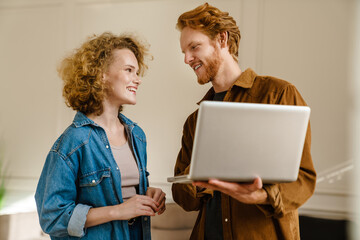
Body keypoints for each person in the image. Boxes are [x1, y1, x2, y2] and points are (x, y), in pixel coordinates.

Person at [171, 3, 316, 240]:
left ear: (222, 39)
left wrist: (262, 196)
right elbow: (182, 196)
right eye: (184, 52)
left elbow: (304, 180)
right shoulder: (194, 122)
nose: (187, 58)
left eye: (194, 47)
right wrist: (197, 178)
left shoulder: (278, 94)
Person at [35, 32, 166, 240]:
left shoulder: (137, 135)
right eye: (129, 70)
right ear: (102, 74)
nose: (137, 80)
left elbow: (117, 189)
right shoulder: (74, 141)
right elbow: (52, 216)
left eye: (137, 72)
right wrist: (117, 211)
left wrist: (148, 194)